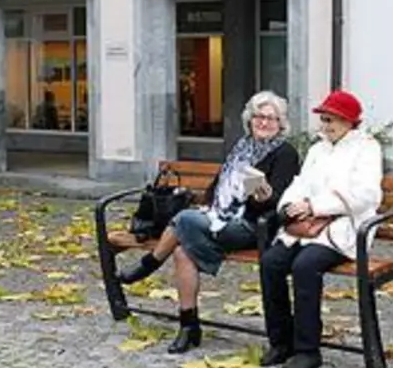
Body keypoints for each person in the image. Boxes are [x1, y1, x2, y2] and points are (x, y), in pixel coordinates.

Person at [118, 91, 301, 353]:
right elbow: (219, 185)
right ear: (250, 120)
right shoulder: (242, 146)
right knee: (182, 253)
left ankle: (148, 265)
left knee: (183, 219)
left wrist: (264, 196)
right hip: (220, 218)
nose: (264, 122)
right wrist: (210, 207)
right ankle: (188, 326)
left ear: (280, 124)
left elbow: (280, 201)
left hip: (252, 227)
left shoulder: (285, 153)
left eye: (271, 119)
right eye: (259, 116)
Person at [259, 89, 383, 368]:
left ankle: (308, 350)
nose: (326, 125)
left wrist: (315, 205)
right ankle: (281, 342)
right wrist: (290, 205)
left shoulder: (366, 148)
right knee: (271, 263)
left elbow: (366, 195)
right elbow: (299, 183)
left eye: (332, 120)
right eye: (324, 119)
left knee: (305, 266)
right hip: (306, 225)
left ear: (350, 121)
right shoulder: (318, 148)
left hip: (343, 228)